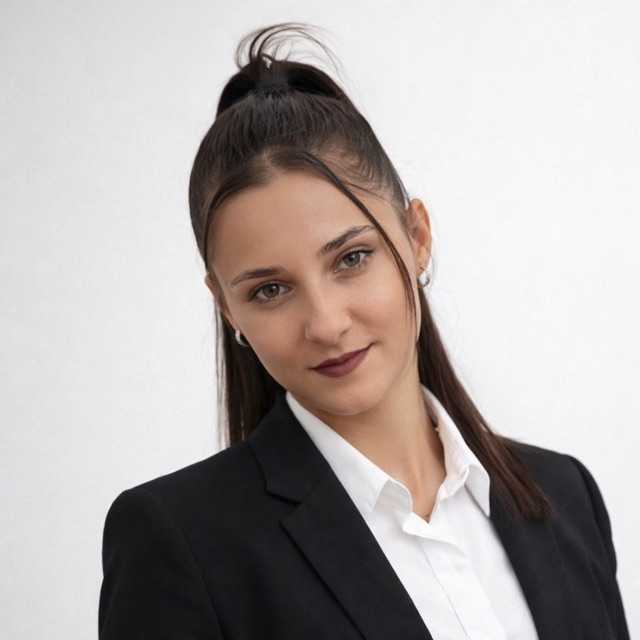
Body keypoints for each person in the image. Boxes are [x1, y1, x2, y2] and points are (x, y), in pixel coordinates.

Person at [98, 22, 630, 639]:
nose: (326, 324)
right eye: (270, 290)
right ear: (226, 307)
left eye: (351, 258)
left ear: (417, 237)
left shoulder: (563, 496)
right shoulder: (181, 544)